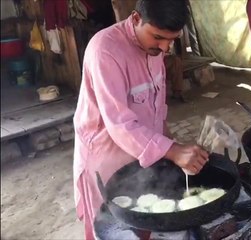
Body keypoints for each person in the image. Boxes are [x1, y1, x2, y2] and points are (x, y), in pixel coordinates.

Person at [72, 0, 209, 239]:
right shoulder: (104, 50)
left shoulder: (154, 48)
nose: (165, 48)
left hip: (145, 152)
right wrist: (172, 150)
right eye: (158, 37)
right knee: (116, 227)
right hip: (107, 155)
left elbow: (156, 106)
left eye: (172, 40)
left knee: (148, 219)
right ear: (136, 19)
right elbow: (119, 123)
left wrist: (169, 143)